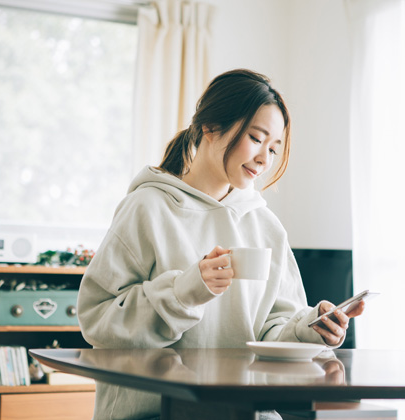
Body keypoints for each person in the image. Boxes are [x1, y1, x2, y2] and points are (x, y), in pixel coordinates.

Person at [77, 69, 364, 420]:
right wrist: (184, 292)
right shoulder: (148, 208)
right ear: (210, 127)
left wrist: (310, 329)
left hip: (241, 411)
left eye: (273, 148)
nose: (264, 159)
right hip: (154, 412)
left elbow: (273, 328)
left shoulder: (265, 224)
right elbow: (98, 320)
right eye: (257, 138)